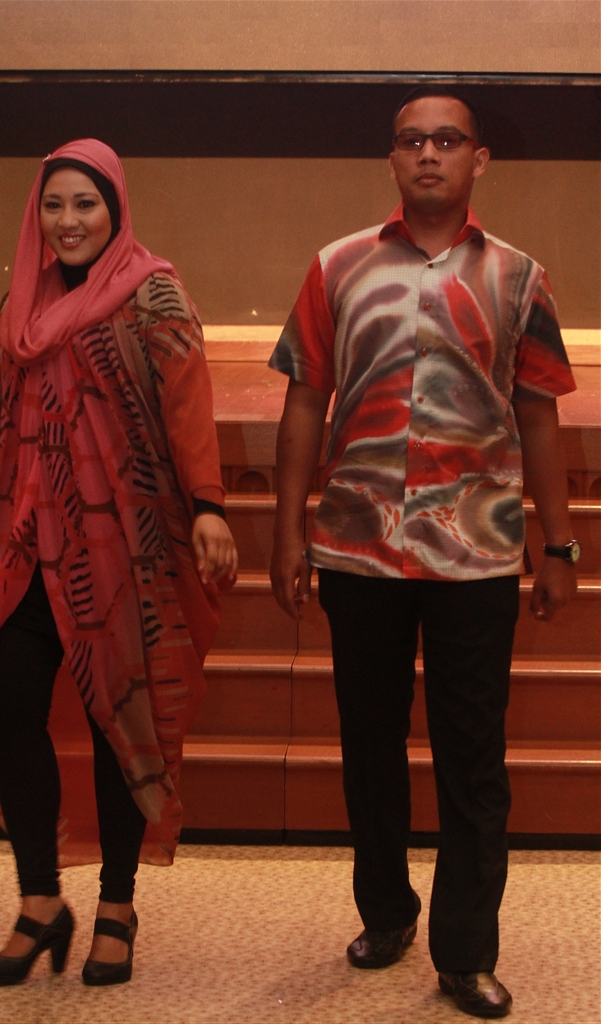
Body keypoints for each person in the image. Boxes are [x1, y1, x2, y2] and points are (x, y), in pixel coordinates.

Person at [269, 86, 578, 1019]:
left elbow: (538, 416)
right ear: (392, 158)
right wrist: (287, 526)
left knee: (472, 761)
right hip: (356, 549)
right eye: (411, 141)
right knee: (368, 750)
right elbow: (304, 400)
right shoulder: (336, 268)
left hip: (473, 555)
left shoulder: (518, 277)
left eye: (446, 140)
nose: (428, 154)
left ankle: (466, 952)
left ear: (478, 159)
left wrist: (557, 542)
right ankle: (386, 913)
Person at [0, 138, 237, 987]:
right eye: (53, 204)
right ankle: (39, 903)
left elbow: (188, 409)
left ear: (115, 209)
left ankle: (117, 908)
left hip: (120, 549)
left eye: (85, 204)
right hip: (21, 549)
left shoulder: (153, 297)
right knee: (8, 703)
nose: (68, 221)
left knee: (116, 721)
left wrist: (209, 506)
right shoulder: (19, 307)